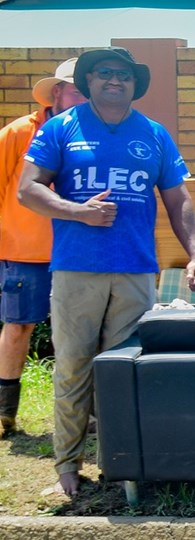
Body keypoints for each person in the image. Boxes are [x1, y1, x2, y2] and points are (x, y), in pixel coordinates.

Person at [18, 47, 195, 497]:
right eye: (104, 74)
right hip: (76, 270)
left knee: (123, 371)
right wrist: (76, 212)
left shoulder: (154, 134)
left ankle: (122, 467)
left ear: (134, 84)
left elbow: (178, 199)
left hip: (136, 270)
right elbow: (27, 190)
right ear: (88, 82)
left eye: (123, 75)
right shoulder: (61, 128)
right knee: (73, 367)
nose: (114, 80)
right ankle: (67, 466)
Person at [0, 57, 83, 439]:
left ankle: (86, 413)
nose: (82, 97)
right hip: (25, 253)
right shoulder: (18, 132)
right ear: (57, 92)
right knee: (18, 328)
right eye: (75, 89)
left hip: (80, 250)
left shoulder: (95, 134)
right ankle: (5, 415)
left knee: (81, 333)